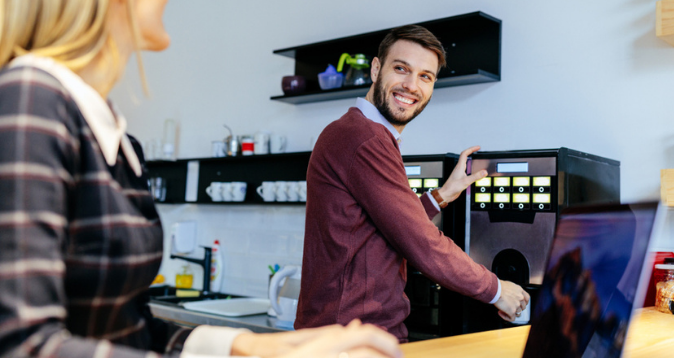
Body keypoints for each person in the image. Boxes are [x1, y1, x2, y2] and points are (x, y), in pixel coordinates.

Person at [0, 1, 402, 358]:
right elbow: (24, 344)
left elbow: (130, 329)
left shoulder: (118, 141)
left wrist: (248, 346)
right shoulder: (31, 98)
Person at [295, 25, 530, 342]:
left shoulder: (358, 133)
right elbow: (420, 241)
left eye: (425, 76)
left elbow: (384, 224)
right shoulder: (364, 137)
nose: (411, 85)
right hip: (350, 341)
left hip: (347, 336)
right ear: (376, 68)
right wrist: (497, 290)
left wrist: (443, 194)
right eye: (401, 68)